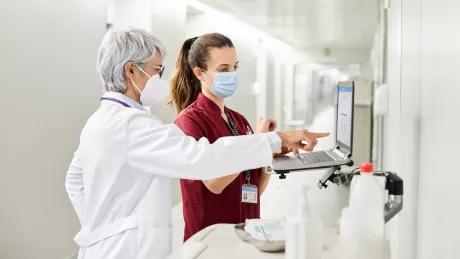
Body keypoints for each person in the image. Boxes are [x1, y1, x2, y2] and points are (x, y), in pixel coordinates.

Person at [65, 28, 329, 259]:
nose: (160, 77)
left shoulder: (101, 121)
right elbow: (204, 160)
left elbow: (74, 180)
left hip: (110, 246)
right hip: (126, 250)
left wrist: (101, 224)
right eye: (157, 70)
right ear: (131, 69)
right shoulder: (132, 126)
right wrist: (273, 140)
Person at [170, 33, 300, 242]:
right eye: (223, 69)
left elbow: (256, 188)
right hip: (210, 237)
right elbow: (214, 184)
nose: (231, 74)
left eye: (234, 67)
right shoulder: (189, 123)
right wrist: (257, 143)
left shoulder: (238, 120)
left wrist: (268, 154)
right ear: (199, 73)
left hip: (247, 230)